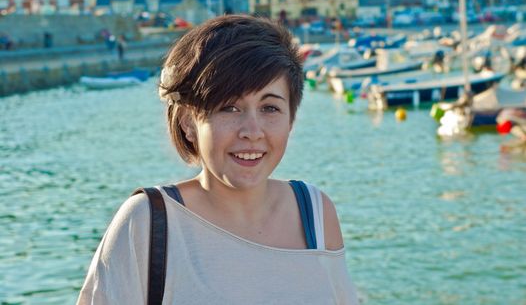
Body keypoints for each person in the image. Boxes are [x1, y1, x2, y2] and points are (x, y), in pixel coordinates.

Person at [77, 15, 359, 304]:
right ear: (188, 122)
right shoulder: (148, 222)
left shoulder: (315, 212)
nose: (252, 131)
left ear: (291, 119)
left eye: (270, 108)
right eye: (229, 108)